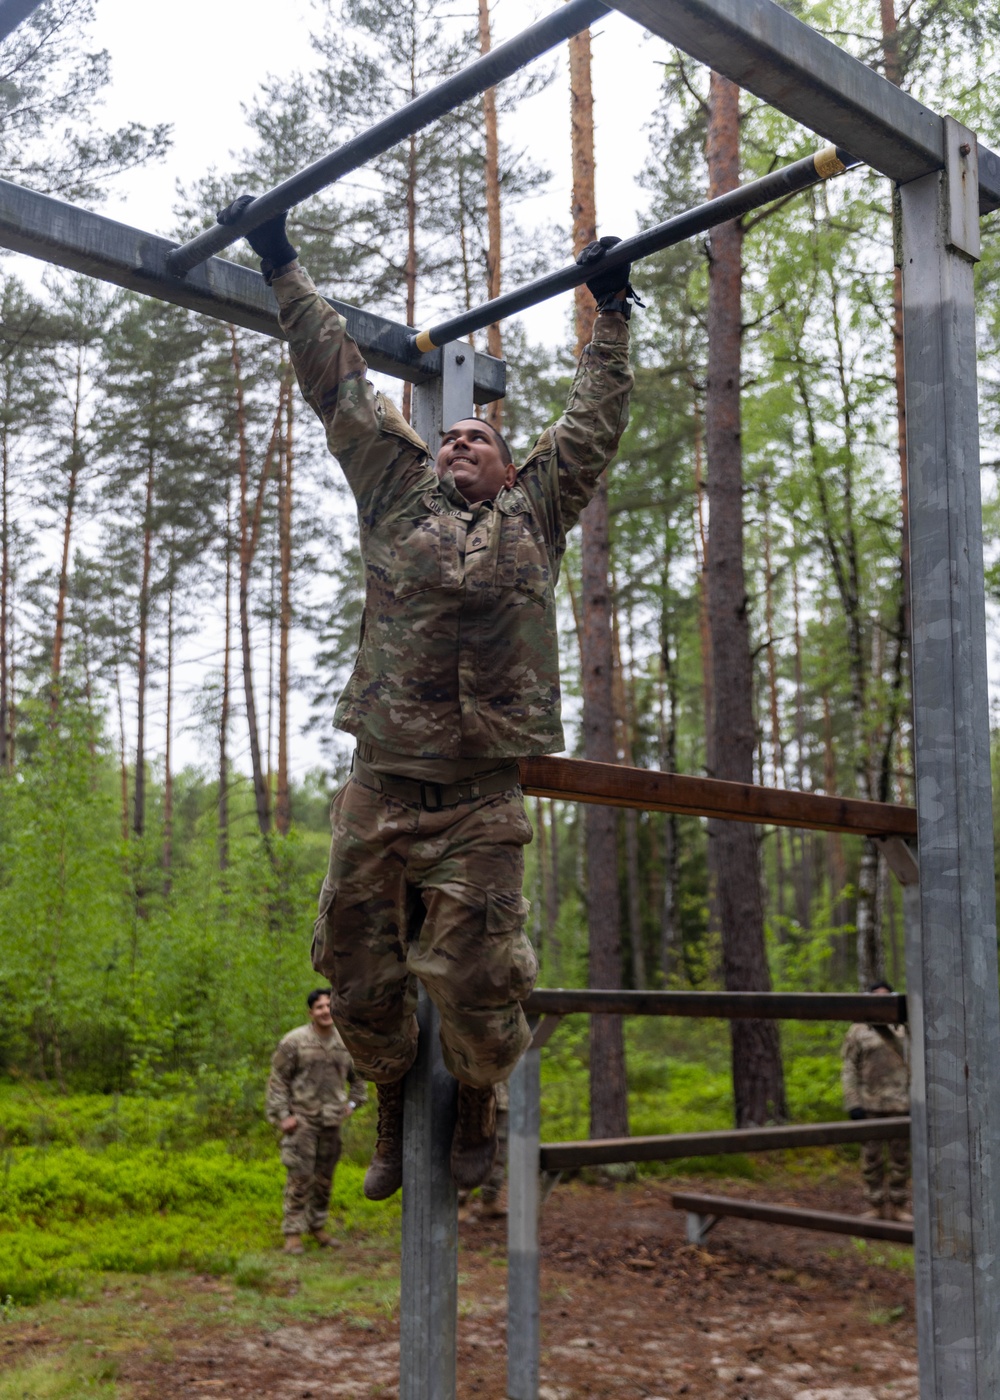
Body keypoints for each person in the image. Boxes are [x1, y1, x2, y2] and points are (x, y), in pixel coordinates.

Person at [220, 198, 635, 1203]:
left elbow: (592, 422)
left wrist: (610, 313)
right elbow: (338, 382)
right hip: (382, 783)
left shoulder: (535, 509)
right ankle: (400, 1104)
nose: (458, 440)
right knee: (356, 975)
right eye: (447, 435)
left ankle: (478, 1101)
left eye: (478, 437)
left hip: (480, 794)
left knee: (484, 983)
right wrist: (280, 259)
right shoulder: (396, 492)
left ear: (506, 467)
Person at [266, 988, 368, 1254]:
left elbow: (359, 1082)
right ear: (311, 1012)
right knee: (300, 1177)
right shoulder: (294, 1041)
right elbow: (278, 1081)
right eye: (320, 1007)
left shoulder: (347, 1043)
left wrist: (352, 1105)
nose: (326, 1011)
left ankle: (318, 1226)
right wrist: (283, 1116)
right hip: (302, 1121)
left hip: (332, 1122)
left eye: (329, 1006)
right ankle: (292, 1233)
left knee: (324, 1179)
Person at [841, 980, 911, 1222]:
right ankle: (876, 1205)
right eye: (876, 997)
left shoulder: (905, 1027)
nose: (882, 1001)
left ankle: (899, 1205)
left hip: (902, 1104)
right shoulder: (858, 1030)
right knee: (871, 1158)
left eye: (886, 996)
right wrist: (853, 1103)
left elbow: (918, 1064)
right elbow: (849, 1068)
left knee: (900, 1159)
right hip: (869, 1105)